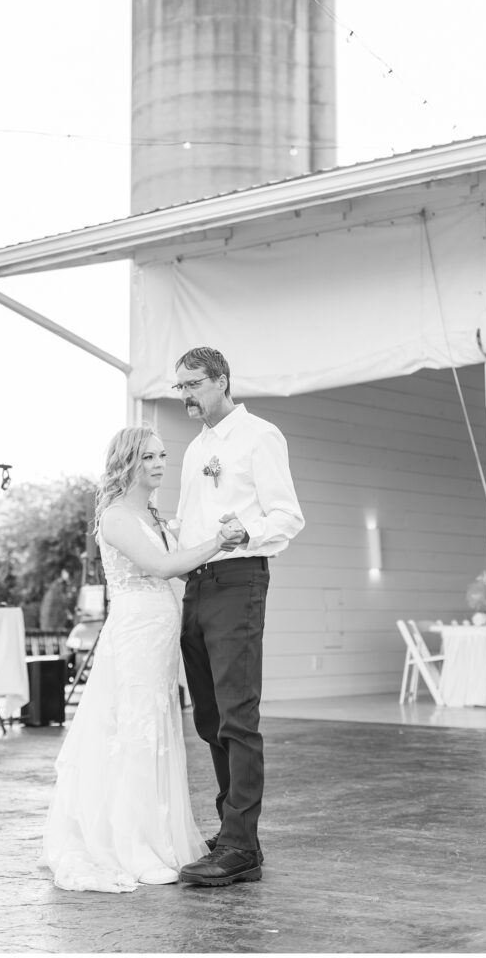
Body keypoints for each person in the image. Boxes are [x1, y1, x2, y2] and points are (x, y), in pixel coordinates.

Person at [40, 425, 244, 893]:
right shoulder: (114, 517)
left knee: (157, 730)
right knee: (135, 732)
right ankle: (129, 845)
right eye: (148, 456)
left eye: (162, 455)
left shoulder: (151, 515)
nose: (159, 463)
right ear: (127, 462)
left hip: (159, 634)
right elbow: (163, 567)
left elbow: (176, 547)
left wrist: (221, 530)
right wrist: (218, 544)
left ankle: (157, 836)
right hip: (134, 635)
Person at [171, 346, 305, 887]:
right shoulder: (194, 448)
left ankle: (241, 846)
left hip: (239, 579)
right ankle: (233, 828)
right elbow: (188, 521)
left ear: (222, 380)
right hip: (196, 584)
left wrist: (246, 532)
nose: (186, 396)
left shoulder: (260, 436)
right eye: (179, 387)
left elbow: (288, 516)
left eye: (194, 385)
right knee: (207, 718)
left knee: (237, 716)